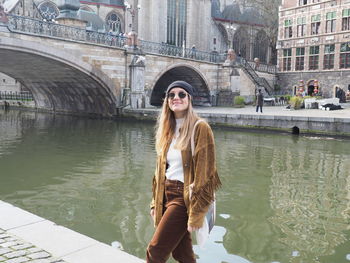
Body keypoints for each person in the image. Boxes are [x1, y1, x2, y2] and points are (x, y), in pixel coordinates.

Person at [147, 81, 221, 263]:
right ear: (167, 101)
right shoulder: (167, 129)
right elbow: (160, 172)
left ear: (190, 98)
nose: (176, 98)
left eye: (182, 94)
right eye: (171, 95)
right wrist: (154, 203)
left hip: (184, 197)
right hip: (165, 194)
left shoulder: (200, 127)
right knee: (182, 253)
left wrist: (196, 214)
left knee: (155, 251)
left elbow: (206, 174)